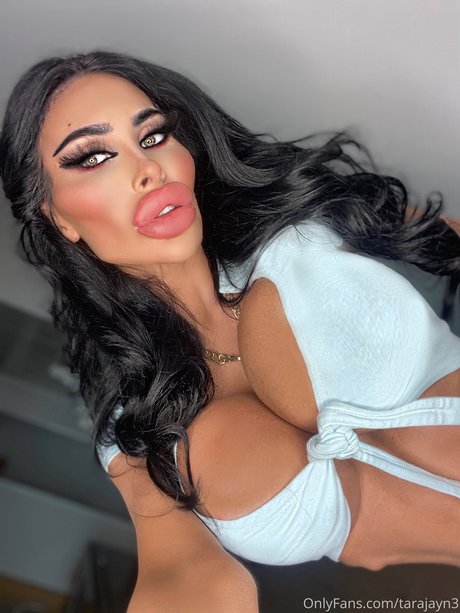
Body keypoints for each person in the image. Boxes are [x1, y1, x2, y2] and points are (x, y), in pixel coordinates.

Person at [1, 50, 459, 612]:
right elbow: (177, 572)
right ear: (58, 216)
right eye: (94, 157)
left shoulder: (294, 237)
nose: (149, 169)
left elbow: (443, 235)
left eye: (153, 137)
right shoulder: (136, 428)